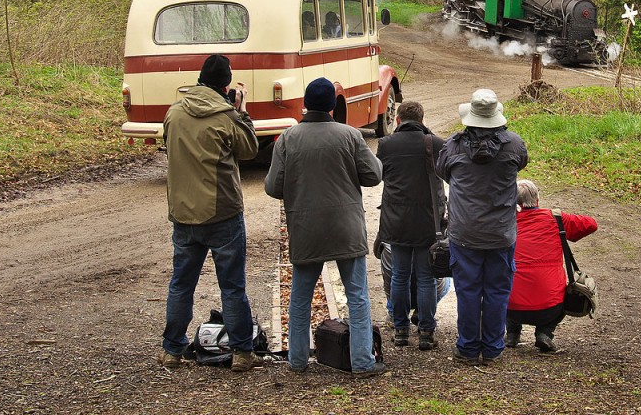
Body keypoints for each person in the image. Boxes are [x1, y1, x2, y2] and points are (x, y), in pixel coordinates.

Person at [264, 77, 386, 377]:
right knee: (357, 296)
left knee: (300, 297)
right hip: (346, 228)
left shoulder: (288, 138)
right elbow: (372, 176)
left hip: (306, 228)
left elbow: (272, 187)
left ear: (306, 103)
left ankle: (297, 361)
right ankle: (362, 362)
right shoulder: (350, 135)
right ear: (333, 105)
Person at [159, 54, 262, 372]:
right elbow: (250, 150)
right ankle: (242, 352)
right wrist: (242, 112)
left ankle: (172, 350)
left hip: (183, 212)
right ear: (226, 84)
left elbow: (167, 142)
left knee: (181, 284)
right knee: (231, 286)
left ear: (200, 79)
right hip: (222, 213)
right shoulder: (226, 116)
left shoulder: (174, 113)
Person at [436, 88, 528, 365]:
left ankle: (467, 347)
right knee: (498, 291)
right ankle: (492, 348)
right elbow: (521, 164)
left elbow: (442, 171)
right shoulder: (514, 144)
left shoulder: (452, 145)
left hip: (464, 232)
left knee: (468, 290)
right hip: (501, 232)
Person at [376, 101, 446, 351]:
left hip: (397, 219)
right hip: (429, 221)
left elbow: (382, 175)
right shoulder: (436, 144)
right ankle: (426, 332)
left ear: (397, 120)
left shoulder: (386, 145)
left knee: (400, 275)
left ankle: (401, 330)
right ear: (422, 119)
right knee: (427, 277)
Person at [506, 179, 597, 353]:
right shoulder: (556, 219)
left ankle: (512, 333)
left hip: (510, 307)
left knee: (508, 284)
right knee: (564, 290)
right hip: (550, 308)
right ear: (537, 199)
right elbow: (591, 224)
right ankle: (544, 332)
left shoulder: (505, 222)